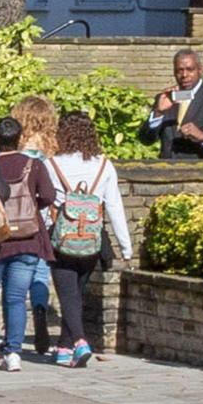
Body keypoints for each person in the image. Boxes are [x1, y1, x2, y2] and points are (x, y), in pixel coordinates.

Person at [39, 110, 134, 367]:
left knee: (67, 293)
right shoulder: (103, 165)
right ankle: (64, 348)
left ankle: (80, 341)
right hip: (92, 239)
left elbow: (44, 204)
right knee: (76, 293)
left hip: (62, 237)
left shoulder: (51, 164)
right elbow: (114, 206)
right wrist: (126, 247)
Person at [0, 115, 55, 370]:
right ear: (20, 138)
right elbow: (48, 195)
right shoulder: (33, 164)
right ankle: (13, 352)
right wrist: (31, 207)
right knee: (16, 297)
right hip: (27, 239)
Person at [146, 48, 203, 166]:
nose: (184, 75)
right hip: (168, 175)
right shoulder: (165, 99)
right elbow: (145, 140)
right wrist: (158, 113)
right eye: (179, 70)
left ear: (200, 70)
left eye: (190, 70)